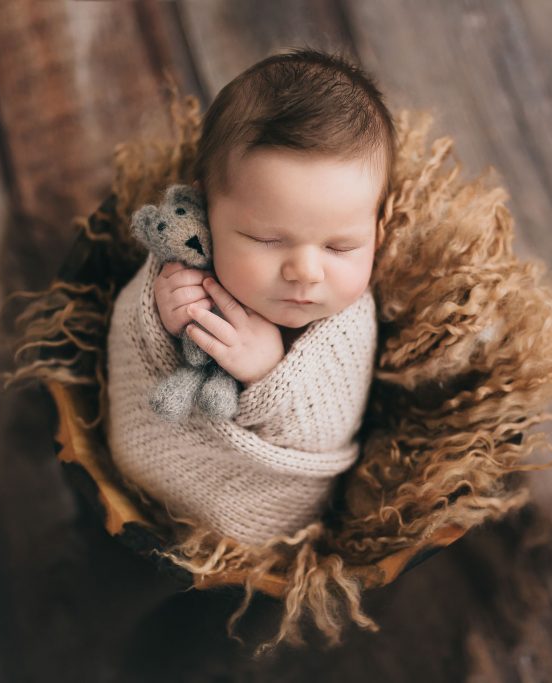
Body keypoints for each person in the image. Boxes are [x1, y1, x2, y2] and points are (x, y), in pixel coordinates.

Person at [106, 48, 398, 546]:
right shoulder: (181, 260)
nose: (305, 272)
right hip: (138, 489)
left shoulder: (348, 323)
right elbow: (129, 343)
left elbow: (331, 423)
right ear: (205, 206)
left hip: (259, 528)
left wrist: (270, 371)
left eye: (341, 246)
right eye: (267, 240)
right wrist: (157, 313)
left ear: (380, 223)